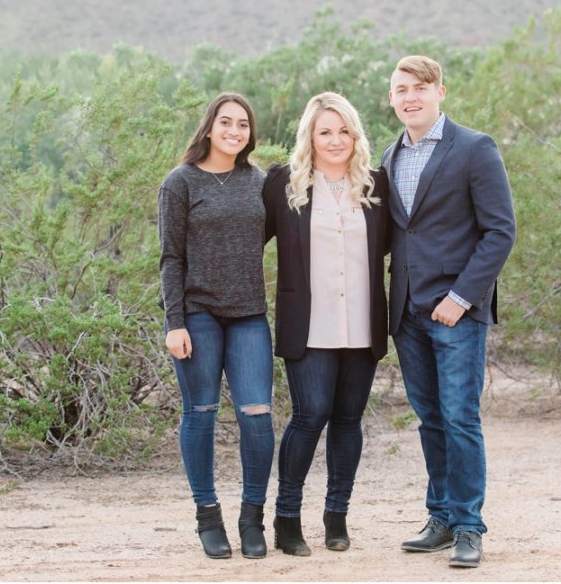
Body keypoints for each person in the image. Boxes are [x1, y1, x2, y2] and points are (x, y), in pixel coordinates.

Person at [380, 56, 516, 568]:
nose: (410, 97)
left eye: (419, 87)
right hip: (408, 312)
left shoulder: (475, 148)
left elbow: (500, 231)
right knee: (430, 418)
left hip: (456, 310)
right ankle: (439, 517)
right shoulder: (390, 157)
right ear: (391, 98)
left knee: (460, 417)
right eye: (400, 90)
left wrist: (461, 299)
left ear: (441, 92)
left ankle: (468, 526)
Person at [262, 92, 390, 556]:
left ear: (356, 135)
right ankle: (287, 518)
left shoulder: (377, 186)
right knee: (310, 414)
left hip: (362, 323)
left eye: (343, 131)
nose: (335, 140)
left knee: (348, 420)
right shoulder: (284, 184)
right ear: (309, 137)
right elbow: (246, 240)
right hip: (308, 324)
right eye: (325, 132)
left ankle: (337, 517)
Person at [158, 92, 274, 560]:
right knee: (200, 413)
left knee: (257, 417)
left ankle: (252, 518)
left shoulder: (259, 182)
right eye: (226, 122)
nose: (234, 131)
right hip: (198, 315)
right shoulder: (179, 183)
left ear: (250, 133)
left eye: (243, 124)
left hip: (249, 314)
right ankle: (208, 518)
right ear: (209, 127)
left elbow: (262, 237)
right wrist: (175, 322)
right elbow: (171, 257)